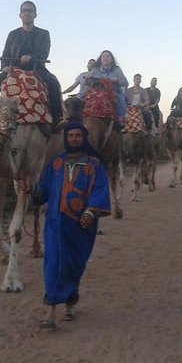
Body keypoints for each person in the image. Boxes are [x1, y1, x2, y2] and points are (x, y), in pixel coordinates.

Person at [19, 122, 111, 329]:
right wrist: (31, 188)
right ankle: (50, 312)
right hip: (54, 225)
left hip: (81, 227)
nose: (74, 139)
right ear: (66, 138)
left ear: (83, 138)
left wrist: (90, 211)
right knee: (52, 265)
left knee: (73, 266)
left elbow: (100, 191)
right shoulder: (56, 164)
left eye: (78, 136)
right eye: (71, 136)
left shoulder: (94, 165)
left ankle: (70, 302)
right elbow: (44, 191)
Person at [0, 1, 66, 130]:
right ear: (20, 15)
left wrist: (32, 58)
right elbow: (6, 52)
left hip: (37, 68)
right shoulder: (13, 34)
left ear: (35, 15)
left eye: (30, 11)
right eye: (24, 10)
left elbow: (44, 53)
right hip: (14, 68)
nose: (27, 13)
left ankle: (57, 118)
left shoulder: (43, 34)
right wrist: (4, 66)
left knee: (52, 82)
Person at [86, 50, 128, 131]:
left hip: (113, 92)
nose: (105, 58)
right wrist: (88, 78)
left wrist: (115, 81)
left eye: (107, 56)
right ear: (100, 59)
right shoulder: (95, 70)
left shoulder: (117, 69)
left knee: (121, 99)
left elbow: (125, 82)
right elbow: (87, 80)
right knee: (79, 99)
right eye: (103, 56)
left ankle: (120, 121)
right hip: (96, 92)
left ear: (111, 59)